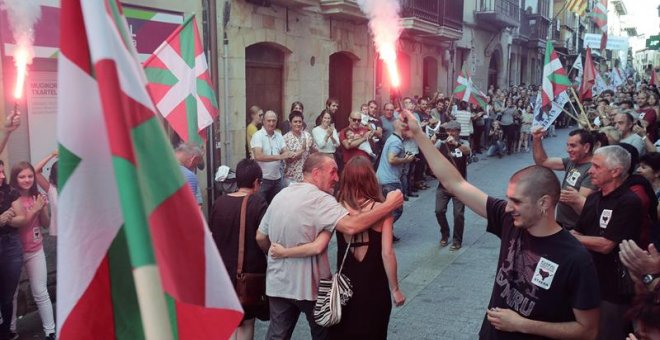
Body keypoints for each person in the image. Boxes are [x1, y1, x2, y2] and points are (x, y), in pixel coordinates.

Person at [401, 110, 601, 339]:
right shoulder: (510, 221)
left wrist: (523, 325)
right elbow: (455, 183)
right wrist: (418, 134)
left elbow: (588, 330)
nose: (507, 207)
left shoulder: (575, 258)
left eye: (516, 201)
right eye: (508, 199)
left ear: (544, 203)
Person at [255, 153, 403, 340]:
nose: (336, 178)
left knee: (277, 335)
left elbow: (260, 236)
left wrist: (278, 254)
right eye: (332, 172)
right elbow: (354, 230)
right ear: (316, 173)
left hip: (279, 282)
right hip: (310, 285)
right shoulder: (324, 201)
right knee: (323, 334)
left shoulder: (281, 195)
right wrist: (389, 205)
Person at [572, 145, 642, 339]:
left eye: (596, 166)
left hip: (613, 290)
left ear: (615, 171)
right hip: (587, 282)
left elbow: (606, 245)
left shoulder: (629, 202)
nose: (590, 171)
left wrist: (570, 238)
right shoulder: (594, 198)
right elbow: (578, 230)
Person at [210, 159, 269, 340]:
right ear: (256, 182)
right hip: (247, 273)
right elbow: (263, 237)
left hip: (222, 273)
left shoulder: (219, 203)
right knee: (247, 322)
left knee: (230, 321)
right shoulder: (258, 203)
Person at [9, 162, 55, 340]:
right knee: (11, 294)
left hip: (35, 250)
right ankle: (11, 329)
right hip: (14, 253)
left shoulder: (38, 196)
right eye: (22, 176)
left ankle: (50, 331)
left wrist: (42, 209)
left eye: (30, 176)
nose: (27, 180)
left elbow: (45, 224)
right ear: (15, 178)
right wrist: (34, 210)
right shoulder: (9, 198)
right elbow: (19, 224)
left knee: (40, 291)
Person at [532, 128, 596, 230]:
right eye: (567, 145)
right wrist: (537, 139)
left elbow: (580, 203)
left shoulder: (592, 170)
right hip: (562, 224)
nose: (568, 150)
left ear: (586, 147)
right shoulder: (572, 161)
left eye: (573, 146)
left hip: (576, 229)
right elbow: (543, 161)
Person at [0, 110, 21, 340]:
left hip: (10, 244)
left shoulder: (8, 190)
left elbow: (21, 217)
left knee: (7, 296)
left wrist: (6, 131)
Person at [434, 121, 470, 250]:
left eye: (453, 130)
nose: (450, 133)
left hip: (459, 186)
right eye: (448, 130)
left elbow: (467, 151)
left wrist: (456, 144)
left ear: (458, 132)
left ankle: (457, 240)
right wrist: (433, 139)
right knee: (439, 211)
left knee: (458, 214)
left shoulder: (464, 143)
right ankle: (445, 233)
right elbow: (431, 152)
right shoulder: (441, 143)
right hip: (443, 185)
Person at [250, 110, 294, 204]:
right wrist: (280, 157)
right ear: (264, 121)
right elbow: (258, 156)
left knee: (278, 207)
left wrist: (291, 154)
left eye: (274, 120)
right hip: (262, 181)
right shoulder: (257, 135)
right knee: (260, 208)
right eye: (269, 120)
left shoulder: (278, 135)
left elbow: (285, 151)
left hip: (278, 179)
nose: (271, 123)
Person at [376, 118, 414, 225]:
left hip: (383, 179)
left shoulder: (392, 138)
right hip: (390, 181)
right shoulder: (396, 142)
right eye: (407, 128)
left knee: (387, 210)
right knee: (397, 210)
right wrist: (406, 160)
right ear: (402, 128)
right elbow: (391, 159)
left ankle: (387, 233)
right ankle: (383, 231)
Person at [283, 111, 315, 185]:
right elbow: (288, 160)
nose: (298, 124)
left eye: (300, 122)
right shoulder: (285, 138)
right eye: (295, 122)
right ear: (290, 123)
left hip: (306, 177)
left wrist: (311, 147)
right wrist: (302, 150)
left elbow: (315, 152)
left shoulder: (307, 135)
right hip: (291, 178)